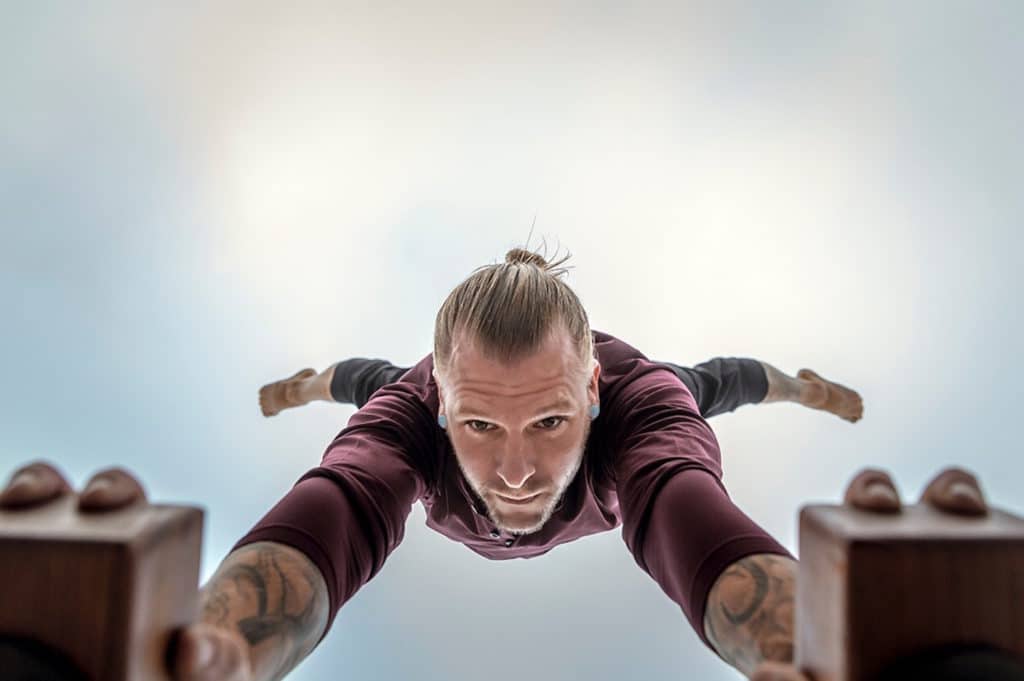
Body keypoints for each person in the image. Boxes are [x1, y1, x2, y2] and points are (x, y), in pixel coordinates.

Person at [3, 245, 982, 681]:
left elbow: (690, 514)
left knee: (723, 381)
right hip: (387, 382)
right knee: (359, 386)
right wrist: (215, 653)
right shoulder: (406, 405)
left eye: (549, 422)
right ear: (441, 404)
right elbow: (335, 507)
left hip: (681, 387)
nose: (514, 471)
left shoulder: (647, 401)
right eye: (480, 427)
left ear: (592, 394)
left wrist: (810, 646)